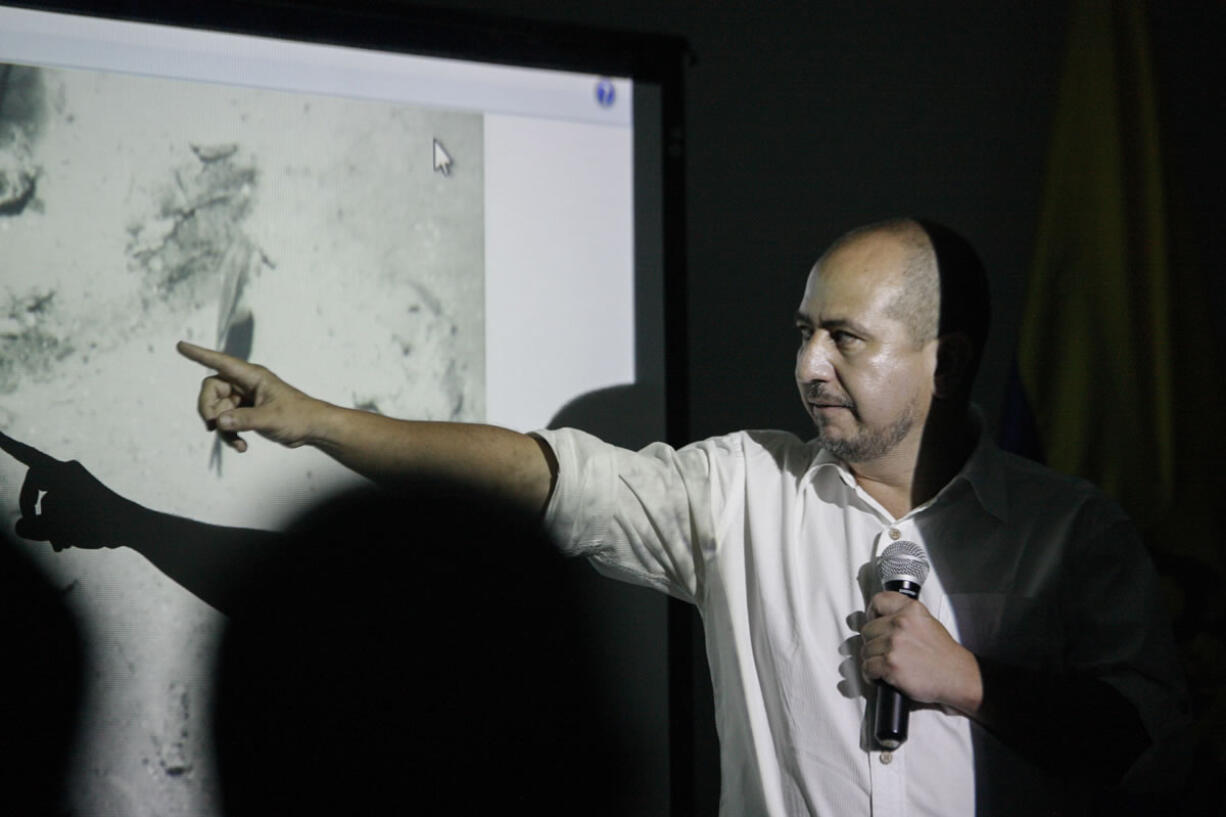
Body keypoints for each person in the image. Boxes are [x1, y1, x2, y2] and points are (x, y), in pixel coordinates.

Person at [178, 217, 1187, 816]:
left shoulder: (1072, 530)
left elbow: (1144, 747)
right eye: (801, 334)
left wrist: (967, 680)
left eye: (843, 339)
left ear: (945, 359)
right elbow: (541, 475)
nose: (806, 367)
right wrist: (312, 419)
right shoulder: (740, 489)